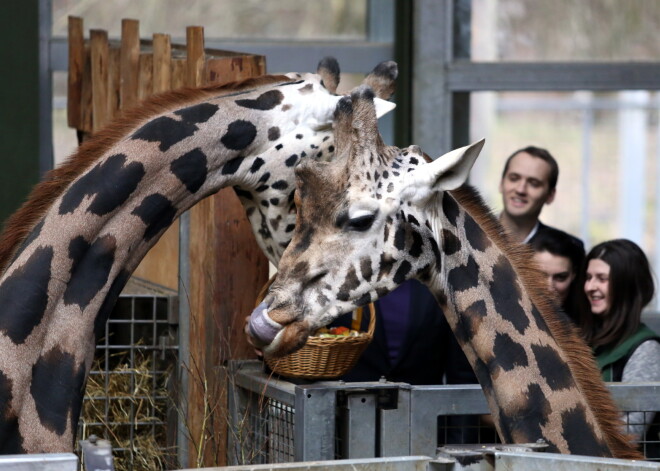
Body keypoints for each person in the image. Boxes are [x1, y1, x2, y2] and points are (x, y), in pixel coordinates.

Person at [578, 239, 660, 455]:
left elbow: (632, 431)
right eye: (588, 278)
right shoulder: (585, 340)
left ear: (626, 285)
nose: (590, 287)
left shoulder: (645, 349)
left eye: (602, 279)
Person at [498, 145, 583, 249]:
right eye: (514, 178)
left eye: (534, 183)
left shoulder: (569, 250)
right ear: (501, 184)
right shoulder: (473, 235)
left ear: (550, 195)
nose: (520, 190)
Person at [530, 228, 585, 322]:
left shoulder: (587, 326)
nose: (549, 287)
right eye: (540, 275)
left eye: (560, 277)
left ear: (573, 274)